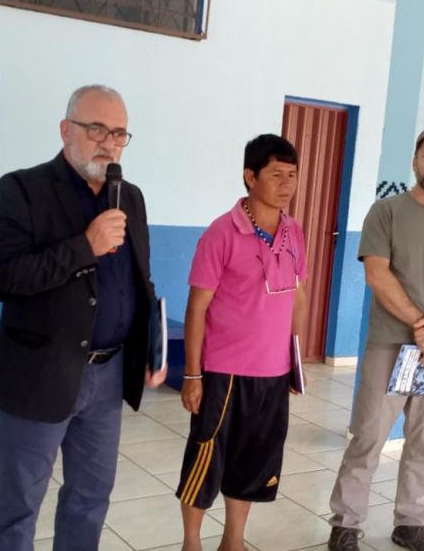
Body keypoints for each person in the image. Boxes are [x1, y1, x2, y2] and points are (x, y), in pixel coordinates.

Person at [0, 84, 164, 550]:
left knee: (90, 498)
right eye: (96, 129)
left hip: (108, 376)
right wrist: (85, 246)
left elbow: (139, 280)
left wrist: (150, 346)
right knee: (17, 507)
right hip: (39, 373)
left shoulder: (131, 197)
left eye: (119, 134)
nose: (109, 143)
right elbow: (3, 279)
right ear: (66, 130)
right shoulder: (21, 189)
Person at [327, 127, 424, 551]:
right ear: (415, 162)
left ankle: (411, 523)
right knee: (369, 437)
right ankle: (345, 524)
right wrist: (423, 325)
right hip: (390, 345)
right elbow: (377, 274)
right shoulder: (386, 211)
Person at [176, 134, 309, 551]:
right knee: (206, 458)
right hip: (224, 372)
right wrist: (192, 375)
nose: (286, 185)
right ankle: (192, 541)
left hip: (273, 373)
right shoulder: (222, 232)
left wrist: (294, 360)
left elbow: (298, 296)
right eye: (276, 175)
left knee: (254, 461)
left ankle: (233, 540)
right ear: (250, 177)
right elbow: (197, 307)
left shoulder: (294, 231)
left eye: (292, 175)